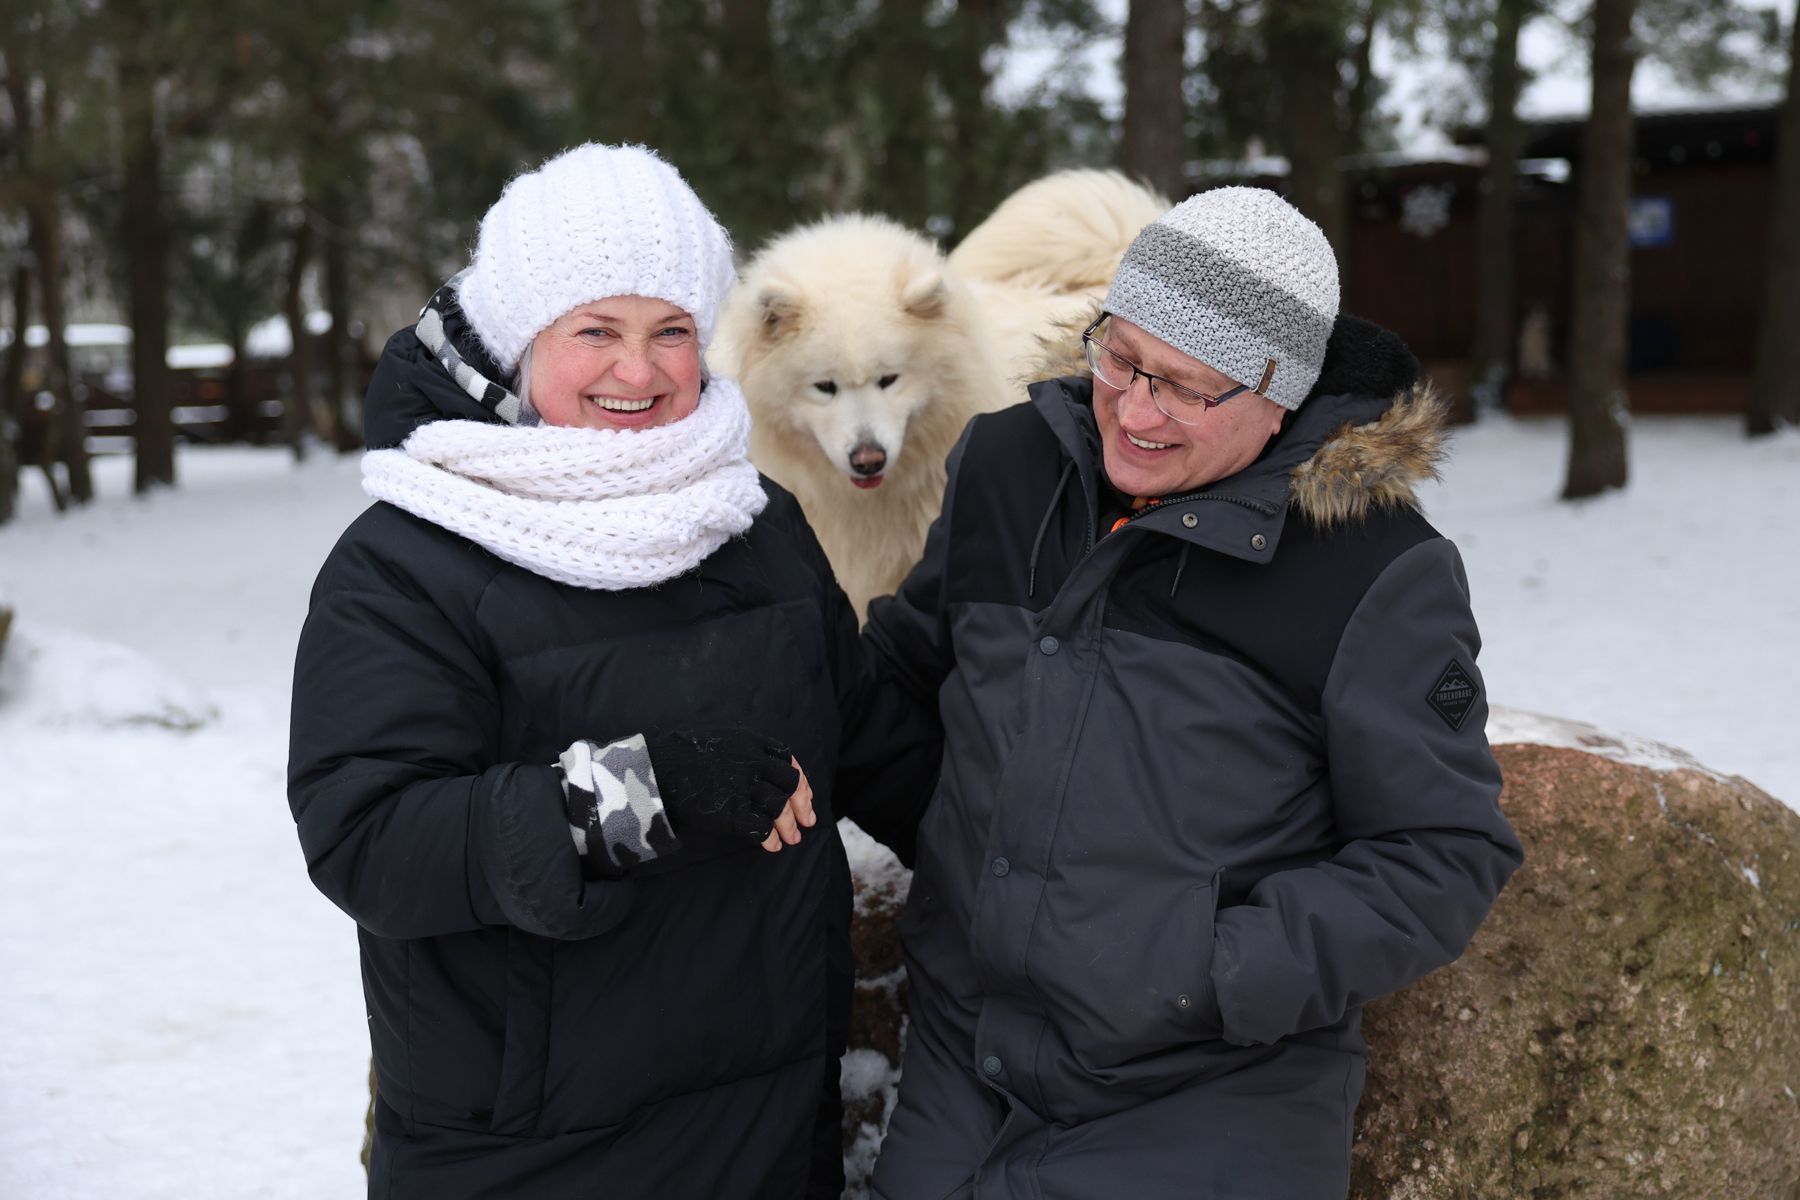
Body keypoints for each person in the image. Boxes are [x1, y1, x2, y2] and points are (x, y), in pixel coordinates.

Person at [862, 187, 1525, 1198]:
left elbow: (1443, 853)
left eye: (1182, 387)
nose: (1132, 411)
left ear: (1280, 394)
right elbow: (910, 686)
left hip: (1206, 1102)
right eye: (1119, 358)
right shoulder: (1010, 463)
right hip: (966, 1071)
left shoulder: (1373, 569)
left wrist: (1206, 972)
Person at [287, 143, 915, 1199]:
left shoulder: (753, 525)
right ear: (520, 338)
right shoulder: (408, 559)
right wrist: (637, 799)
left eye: (671, 331)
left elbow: (873, 738)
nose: (641, 370)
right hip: (534, 1153)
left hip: (761, 1137)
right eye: (597, 332)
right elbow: (371, 838)